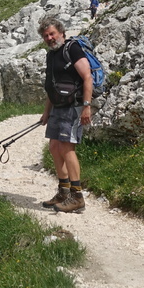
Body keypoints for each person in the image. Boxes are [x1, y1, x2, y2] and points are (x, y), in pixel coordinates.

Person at [37, 15, 92, 214]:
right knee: (54, 146)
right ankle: (63, 191)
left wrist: (86, 106)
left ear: (61, 32)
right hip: (58, 107)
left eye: (52, 33)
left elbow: (87, 76)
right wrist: (46, 112)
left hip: (74, 106)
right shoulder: (51, 56)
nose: (50, 38)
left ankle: (77, 197)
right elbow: (51, 87)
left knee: (67, 148)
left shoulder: (72, 49)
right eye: (46, 36)